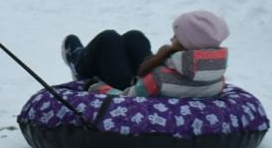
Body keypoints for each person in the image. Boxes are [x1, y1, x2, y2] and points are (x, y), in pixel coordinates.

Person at [60, 10, 229, 98]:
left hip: (131, 89)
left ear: (189, 44)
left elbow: (127, 98)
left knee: (108, 38)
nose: (171, 38)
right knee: (135, 37)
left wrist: (95, 87)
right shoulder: (217, 78)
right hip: (153, 87)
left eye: (176, 36)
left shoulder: (161, 78)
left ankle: (79, 65)